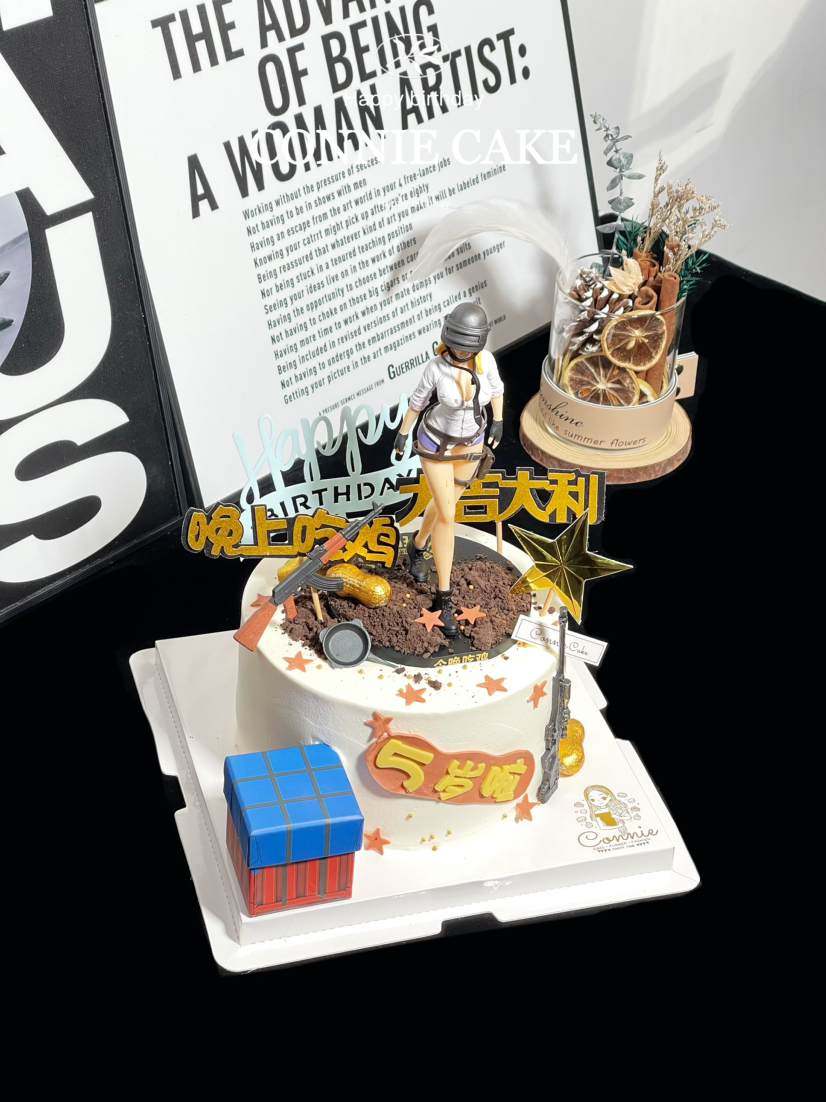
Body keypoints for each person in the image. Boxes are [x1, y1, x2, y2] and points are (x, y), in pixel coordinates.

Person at [393, 302, 503, 636]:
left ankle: (418, 544)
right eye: (457, 343)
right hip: (436, 444)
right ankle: (443, 596)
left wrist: (498, 421)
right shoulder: (436, 368)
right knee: (448, 514)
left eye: (468, 344)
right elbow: (417, 401)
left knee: (446, 507)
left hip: (471, 443)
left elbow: (497, 391)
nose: (461, 350)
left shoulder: (486, 362)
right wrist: (402, 433)